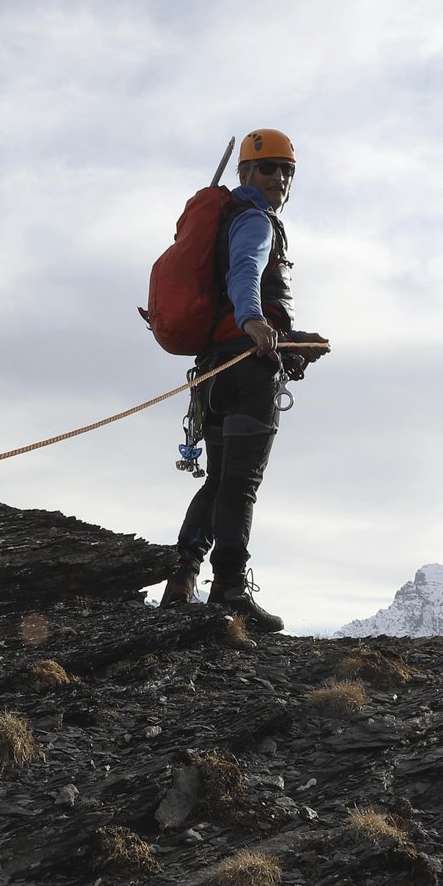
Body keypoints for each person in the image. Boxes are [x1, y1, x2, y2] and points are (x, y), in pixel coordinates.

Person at [161, 128, 321, 631]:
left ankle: (181, 578)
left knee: (220, 479)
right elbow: (246, 273)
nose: (279, 178)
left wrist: (289, 337)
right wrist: (256, 322)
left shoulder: (227, 218)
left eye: (287, 170)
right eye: (269, 168)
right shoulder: (254, 220)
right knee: (241, 482)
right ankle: (229, 588)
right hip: (248, 369)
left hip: (213, 372)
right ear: (246, 173)